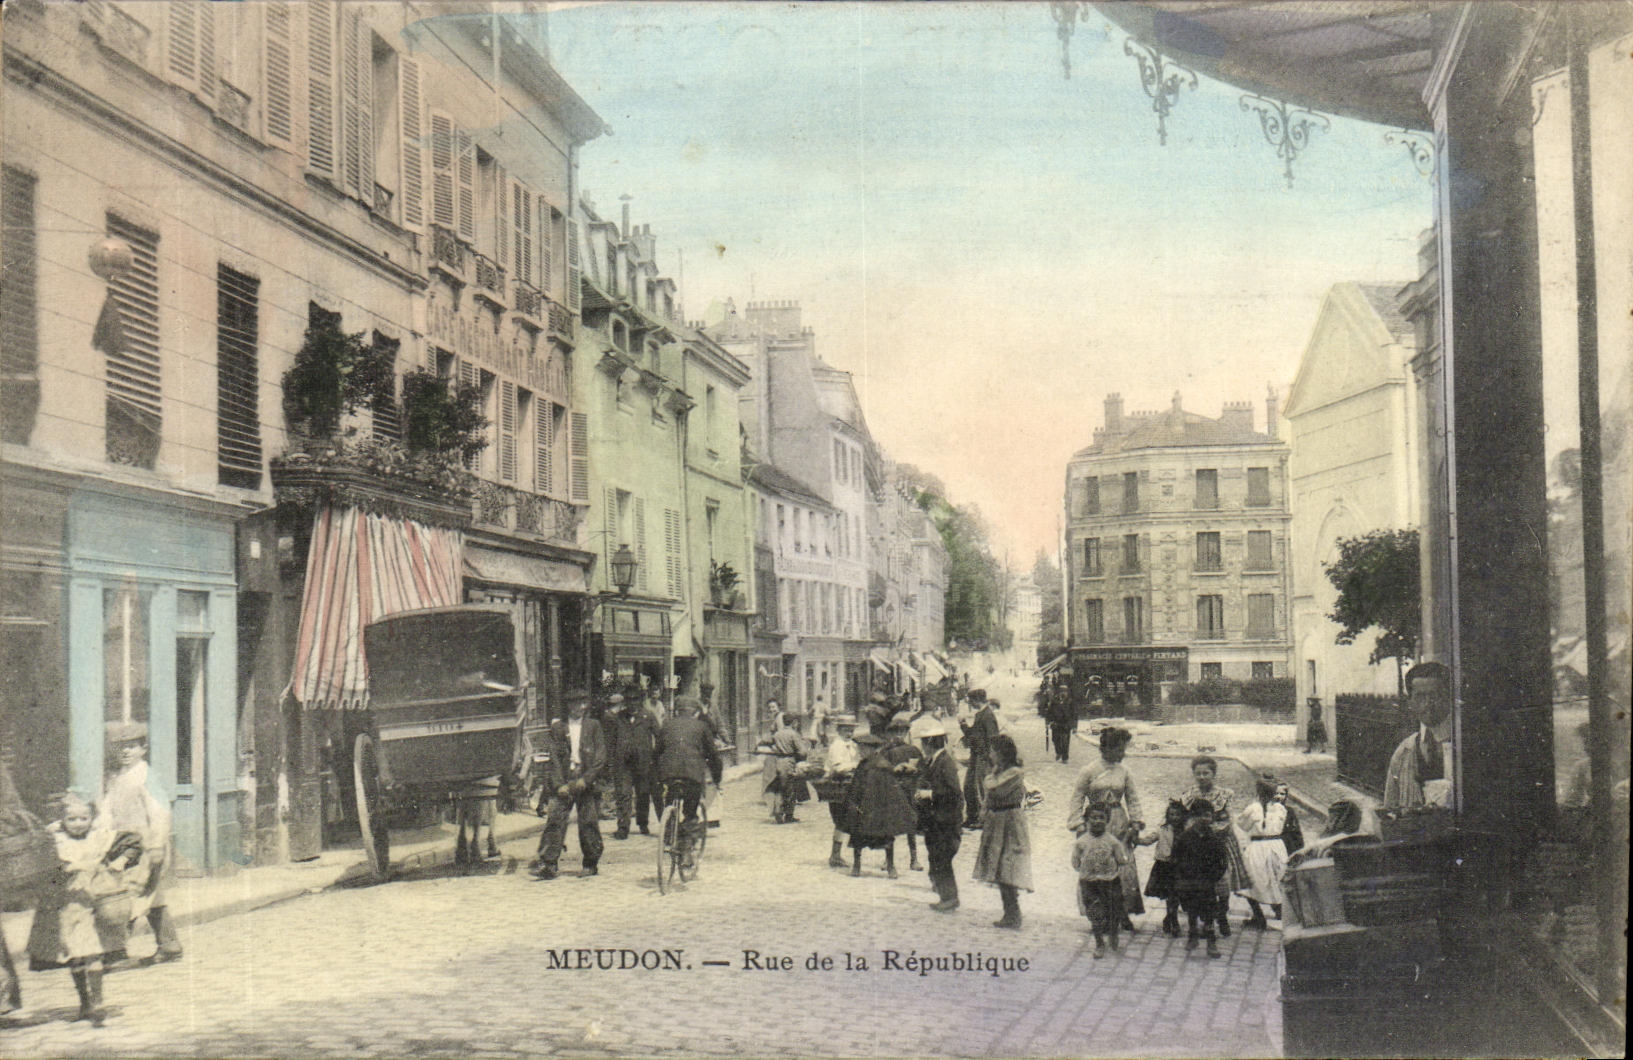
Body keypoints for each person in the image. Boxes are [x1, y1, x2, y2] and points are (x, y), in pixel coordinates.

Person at [28, 792, 142, 1025]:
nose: (79, 824)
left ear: (92, 818)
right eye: (72, 819)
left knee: (94, 952)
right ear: (62, 820)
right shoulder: (53, 840)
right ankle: (84, 1001)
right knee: (77, 954)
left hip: (98, 901)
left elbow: (133, 843)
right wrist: (63, 870)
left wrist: (121, 861)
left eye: (84, 819)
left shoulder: (101, 837)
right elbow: (43, 867)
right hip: (70, 906)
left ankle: (98, 1001)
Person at [97, 721, 181, 962]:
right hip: (122, 845)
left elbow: (160, 812)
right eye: (121, 747)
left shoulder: (146, 776)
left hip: (144, 846)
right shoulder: (118, 778)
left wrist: (156, 846)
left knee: (128, 895)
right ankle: (170, 944)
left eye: (132, 747)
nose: (125, 752)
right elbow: (107, 811)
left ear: (143, 749)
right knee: (149, 895)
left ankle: (116, 952)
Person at [1065, 727, 1146, 932]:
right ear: (1107, 748)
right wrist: (1079, 824)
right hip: (1096, 822)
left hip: (1119, 822)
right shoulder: (1089, 771)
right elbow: (1077, 798)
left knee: (1123, 867)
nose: (1123, 754)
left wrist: (1136, 823)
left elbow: (1133, 799)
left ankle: (1122, 912)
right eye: (1119, 749)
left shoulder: (1125, 772)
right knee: (1098, 867)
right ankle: (1098, 915)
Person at [530, 694, 606, 880]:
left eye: (582, 703)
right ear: (568, 705)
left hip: (585, 781)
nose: (578, 707)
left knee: (588, 822)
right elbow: (553, 758)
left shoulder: (593, 726)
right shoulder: (558, 728)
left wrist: (586, 780)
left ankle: (590, 863)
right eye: (573, 703)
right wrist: (558, 784)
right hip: (564, 779)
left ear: (586, 705)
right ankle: (549, 863)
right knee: (555, 820)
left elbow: (600, 758)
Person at [1177, 754, 1246, 939]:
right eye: (1198, 773)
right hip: (1196, 845)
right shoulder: (1189, 795)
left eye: (1206, 773)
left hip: (1219, 843)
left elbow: (1227, 820)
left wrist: (1209, 833)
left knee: (1222, 881)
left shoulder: (1224, 795)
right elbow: (1185, 820)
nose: (1202, 777)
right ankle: (1202, 920)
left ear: (1213, 774)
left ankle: (1222, 916)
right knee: (1198, 883)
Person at [653, 697, 723, 870]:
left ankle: (669, 831)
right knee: (691, 812)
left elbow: (656, 753)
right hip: (692, 775)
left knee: (670, 801)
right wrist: (716, 778)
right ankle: (685, 850)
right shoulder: (701, 727)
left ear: (677, 711)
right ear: (696, 712)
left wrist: (657, 776)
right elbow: (713, 756)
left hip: (668, 774)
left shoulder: (667, 726)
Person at [972, 734, 1032, 929]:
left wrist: (987, 778)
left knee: (1008, 866)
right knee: (998, 867)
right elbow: (989, 796)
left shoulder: (1014, 773)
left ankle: (1013, 913)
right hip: (997, 821)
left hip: (1010, 823)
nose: (990, 755)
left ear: (1001, 753)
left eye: (993, 751)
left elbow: (994, 789)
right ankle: (1009, 913)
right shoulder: (998, 771)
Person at [843, 731, 917, 878]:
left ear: (872, 749)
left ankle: (891, 867)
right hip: (865, 807)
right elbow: (857, 785)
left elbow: (888, 789)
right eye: (859, 748)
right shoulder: (864, 764)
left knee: (886, 837)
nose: (860, 752)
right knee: (858, 836)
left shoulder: (880, 765)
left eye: (862, 749)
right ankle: (857, 865)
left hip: (879, 808)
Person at [1384, 661, 1454, 810]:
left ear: (1449, 698)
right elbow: (1390, 810)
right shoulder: (1403, 753)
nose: (1428, 704)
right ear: (1410, 702)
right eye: (1420, 697)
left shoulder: (1464, 745)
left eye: (1435, 696)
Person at [912, 716, 963, 912]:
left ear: (931, 743)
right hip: (935, 821)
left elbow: (954, 793)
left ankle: (950, 898)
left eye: (925, 743)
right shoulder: (934, 761)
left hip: (946, 821)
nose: (923, 747)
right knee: (936, 857)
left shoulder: (945, 763)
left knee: (942, 859)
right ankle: (945, 895)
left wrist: (930, 794)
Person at [1072, 804, 1131, 958]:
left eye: (1101, 818)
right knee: (1094, 913)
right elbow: (1075, 862)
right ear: (1087, 820)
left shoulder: (1113, 841)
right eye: (1094, 818)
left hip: (1110, 881)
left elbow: (1122, 860)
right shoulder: (1081, 842)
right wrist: (1087, 869)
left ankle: (1113, 934)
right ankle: (1099, 943)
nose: (1097, 821)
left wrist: (1123, 858)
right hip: (1089, 882)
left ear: (1107, 820)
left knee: (1113, 911)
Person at [1173, 797, 1227, 958]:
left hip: (1207, 882)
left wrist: (1215, 876)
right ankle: (1192, 936)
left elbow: (1222, 860)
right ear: (1193, 817)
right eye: (1201, 815)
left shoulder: (1215, 839)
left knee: (1209, 912)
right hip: (1189, 881)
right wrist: (1181, 877)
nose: (1205, 819)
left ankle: (1211, 943)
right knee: (1191, 910)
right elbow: (1176, 858)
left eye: (1208, 815)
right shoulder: (1185, 838)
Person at [1236, 774, 1288, 930]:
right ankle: (1280, 912)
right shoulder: (1281, 808)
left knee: (1250, 882)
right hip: (1277, 846)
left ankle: (1258, 915)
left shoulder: (1253, 808)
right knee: (1275, 880)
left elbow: (1243, 825)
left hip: (1258, 847)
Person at [883, 712, 925, 872]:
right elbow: (880, 769)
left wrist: (914, 769)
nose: (899, 735)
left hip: (909, 790)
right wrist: (894, 769)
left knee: (911, 825)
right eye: (896, 732)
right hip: (892, 791)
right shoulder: (886, 751)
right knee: (889, 826)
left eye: (902, 731)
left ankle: (914, 859)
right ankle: (888, 860)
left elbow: (922, 769)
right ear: (891, 733)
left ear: (907, 732)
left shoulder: (913, 750)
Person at [1141, 799, 1188, 936]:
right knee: (1170, 895)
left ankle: (1169, 918)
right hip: (1165, 866)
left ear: (1182, 816)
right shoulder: (1162, 829)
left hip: (1180, 867)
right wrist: (1136, 839)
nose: (1174, 817)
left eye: (1178, 815)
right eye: (1172, 814)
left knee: (1176, 895)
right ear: (1168, 816)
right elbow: (1149, 839)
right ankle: (1173, 921)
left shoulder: (1186, 831)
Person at [821, 715, 862, 867]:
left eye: (851, 730)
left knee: (846, 821)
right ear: (839, 730)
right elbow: (838, 768)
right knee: (841, 821)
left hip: (849, 786)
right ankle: (835, 855)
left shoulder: (852, 745)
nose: (849, 733)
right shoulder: (836, 746)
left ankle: (837, 855)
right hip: (837, 787)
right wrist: (855, 766)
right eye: (846, 730)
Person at [761, 708, 812, 824]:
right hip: (789, 762)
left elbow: (767, 742)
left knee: (780, 787)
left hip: (777, 762)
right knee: (791, 788)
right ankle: (789, 815)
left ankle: (778, 811)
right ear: (794, 722)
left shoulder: (777, 734)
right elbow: (802, 751)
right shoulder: (793, 734)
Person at [624, 692, 663, 837]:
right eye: (629, 699)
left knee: (655, 794)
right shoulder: (623, 717)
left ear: (640, 701)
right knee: (640, 794)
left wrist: (655, 755)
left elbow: (659, 736)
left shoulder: (648, 715)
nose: (632, 703)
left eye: (635, 699)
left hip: (648, 761)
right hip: (630, 763)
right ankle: (642, 824)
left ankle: (666, 825)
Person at [960, 690, 1000, 830]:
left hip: (983, 757)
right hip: (975, 755)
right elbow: (973, 736)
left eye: (971, 701)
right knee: (969, 787)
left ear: (977, 700)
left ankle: (984, 820)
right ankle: (972, 817)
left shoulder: (988, 716)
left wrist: (990, 759)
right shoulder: (981, 715)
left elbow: (993, 739)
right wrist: (963, 725)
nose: (970, 704)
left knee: (981, 789)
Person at [1046, 685, 1077, 764]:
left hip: (1066, 724)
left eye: (1065, 692)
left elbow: (1074, 715)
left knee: (1065, 741)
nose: (1064, 693)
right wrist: (1048, 722)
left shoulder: (1070, 702)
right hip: (1056, 724)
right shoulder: (1054, 701)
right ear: (1059, 692)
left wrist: (1074, 726)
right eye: (1062, 691)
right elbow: (1049, 713)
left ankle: (1065, 757)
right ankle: (1058, 752)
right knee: (1055, 739)